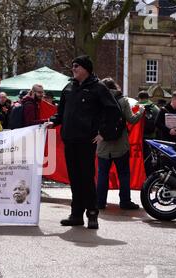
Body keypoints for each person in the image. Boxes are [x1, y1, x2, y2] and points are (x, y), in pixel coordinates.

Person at [48, 55, 121, 229]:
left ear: (86, 69)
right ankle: (76, 214)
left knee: (86, 178)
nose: (73, 69)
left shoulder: (98, 88)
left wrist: (104, 133)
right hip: (69, 139)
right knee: (74, 178)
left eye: (77, 66)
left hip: (86, 140)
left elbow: (114, 111)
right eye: (73, 66)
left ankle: (92, 214)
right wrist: (54, 121)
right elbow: (61, 111)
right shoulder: (68, 88)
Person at [96, 78, 145, 210]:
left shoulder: (98, 100)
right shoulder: (123, 101)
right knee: (123, 174)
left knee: (102, 174)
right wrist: (141, 110)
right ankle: (125, 202)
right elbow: (132, 119)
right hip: (120, 144)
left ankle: (99, 202)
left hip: (103, 144)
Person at [137, 91, 160, 176]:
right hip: (151, 138)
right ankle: (149, 177)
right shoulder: (155, 108)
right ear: (148, 97)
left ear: (139, 98)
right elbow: (158, 123)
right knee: (149, 159)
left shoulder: (135, 106)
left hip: (138, 139)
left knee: (138, 159)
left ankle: (139, 176)